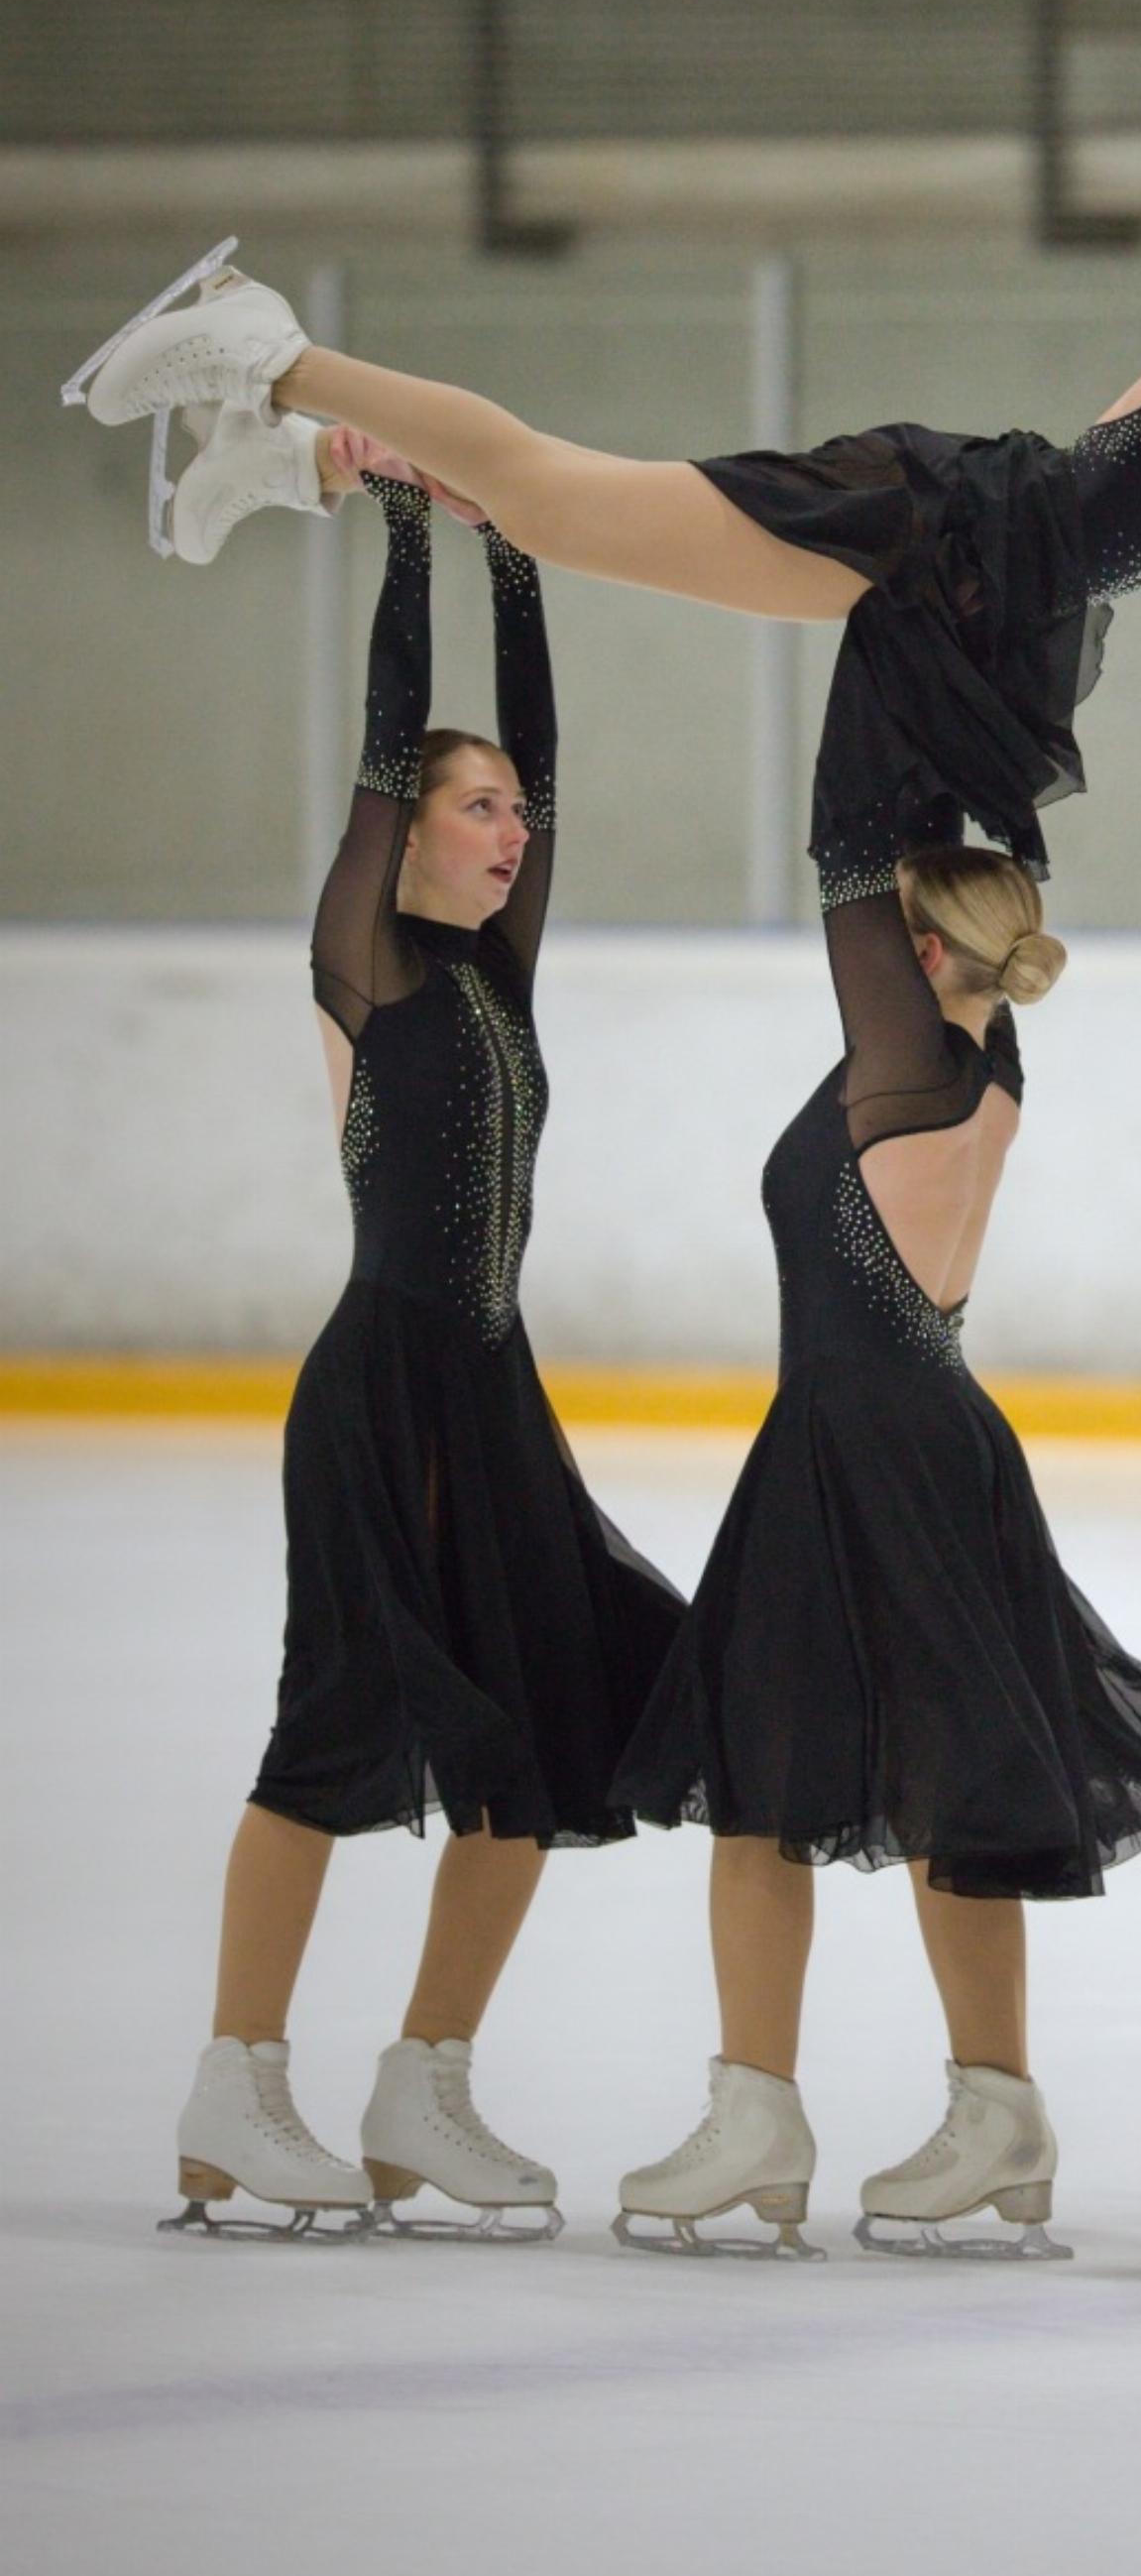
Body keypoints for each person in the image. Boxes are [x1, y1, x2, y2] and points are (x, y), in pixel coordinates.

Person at [74, 20, 1141, 884]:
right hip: (956, 527)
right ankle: (264, 342)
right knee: (562, 494)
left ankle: (301, 460)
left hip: (993, 600)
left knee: (566, 523)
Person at [166, 436, 685, 2242]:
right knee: (331, 1730)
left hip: (496, 1390)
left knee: (545, 1742)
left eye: (510, 816)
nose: (507, 826)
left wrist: (523, 555)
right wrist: (410, 528)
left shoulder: (494, 974)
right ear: (410, 832)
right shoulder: (368, 960)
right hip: (383, 1381)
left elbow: (547, 761)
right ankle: (237, 2081)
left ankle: (422, 2083)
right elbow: (396, 750)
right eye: (476, 812)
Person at [606, 777, 1141, 2260]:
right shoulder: (981, 1055)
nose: (868, 941)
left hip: (858, 1439)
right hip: (918, 1434)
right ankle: (990, 2110)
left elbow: (845, 862)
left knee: (764, 1789)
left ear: (927, 954)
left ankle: (767, 2110)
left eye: (893, 930)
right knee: (934, 1787)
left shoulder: (907, 1057)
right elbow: (942, 864)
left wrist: (883, 672)